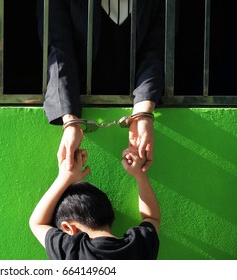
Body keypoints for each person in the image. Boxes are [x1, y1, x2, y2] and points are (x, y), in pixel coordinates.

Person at [36, 0, 166, 172]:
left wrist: (143, 114)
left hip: (137, 92)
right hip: (81, 93)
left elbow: (157, 51)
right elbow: (59, 50)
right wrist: (70, 121)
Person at [29, 148, 160, 260]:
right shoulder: (140, 247)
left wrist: (65, 176)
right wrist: (139, 174)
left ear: (69, 228)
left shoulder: (72, 252)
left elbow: (37, 223)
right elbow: (152, 218)